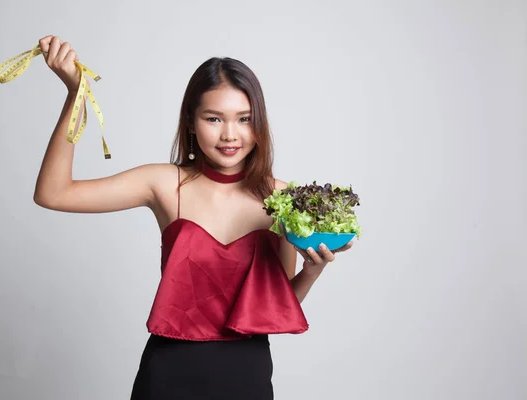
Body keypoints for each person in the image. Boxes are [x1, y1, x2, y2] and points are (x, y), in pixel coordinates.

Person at [33, 35, 353, 400]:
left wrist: (312, 272)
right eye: (213, 118)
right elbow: (52, 193)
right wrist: (76, 96)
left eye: (244, 119)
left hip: (246, 374)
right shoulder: (163, 183)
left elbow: (275, 305)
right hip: (169, 373)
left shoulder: (282, 199)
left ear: (258, 124)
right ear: (191, 121)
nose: (230, 134)